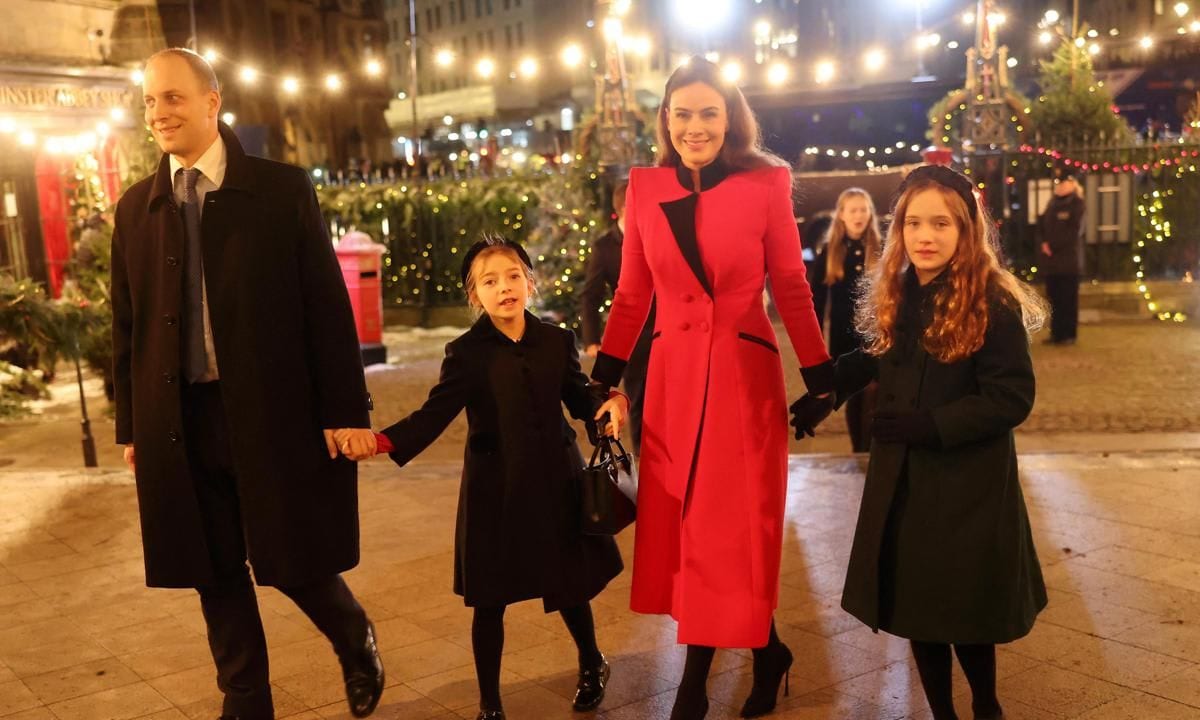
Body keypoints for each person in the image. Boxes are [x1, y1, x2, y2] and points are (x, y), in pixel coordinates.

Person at [110, 48, 383, 719]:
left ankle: (353, 636)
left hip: (269, 412)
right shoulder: (135, 209)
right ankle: (245, 696)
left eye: (173, 98)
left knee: (290, 557)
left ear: (212, 101)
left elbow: (325, 307)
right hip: (178, 417)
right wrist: (130, 427)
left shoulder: (280, 190)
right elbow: (126, 328)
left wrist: (345, 410)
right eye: (150, 101)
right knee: (211, 566)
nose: (159, 113)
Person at [591, 57, 835, 720]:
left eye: (708, 113)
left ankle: (694, 684)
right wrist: (605, 374)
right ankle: (767, 651)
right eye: (682, 114)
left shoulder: (766, 183)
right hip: (671, 381)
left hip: (739, 377)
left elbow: (789, 283)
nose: (694, 126)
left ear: (730, 119)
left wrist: (820, 376)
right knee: (693, 529)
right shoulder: (644, 187)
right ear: (665, 120)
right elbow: (634, 291)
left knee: (727, 530)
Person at [799, 165, 1048, 720]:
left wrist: (930, 426)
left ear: (966, 231)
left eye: (940, 223)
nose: (924, 236)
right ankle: (943, 713)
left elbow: (1011, 397)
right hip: (905, 484)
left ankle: (986, 706)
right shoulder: (904, 289)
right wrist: (831, 388)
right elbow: (882, 352)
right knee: (916, 608)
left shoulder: (991, 301)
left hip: (965, 487)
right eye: (913, 222)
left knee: (963, 610)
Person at [351, 237, 625, 720]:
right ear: (474, 294)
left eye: (514, 275)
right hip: (495, 488)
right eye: (490, 280)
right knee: (491, 599)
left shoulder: (555, 340)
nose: (505, 287)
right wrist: (382, 441)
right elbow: (434, 414)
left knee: (569, 586)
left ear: (530, 282)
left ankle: (591, 661)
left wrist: (602, 409)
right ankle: (490, 704)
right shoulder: (466, 352)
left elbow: (578, 397)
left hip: (558, 478)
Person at [579, 180, 654, 453]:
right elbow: (591, 295)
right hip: (634, 339)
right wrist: (591, 339)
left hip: (669, 332)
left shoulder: (658, 235)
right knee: (639, 402)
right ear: (625, 209)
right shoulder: (605, 246)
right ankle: (645, 460)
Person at [821, 188, 883, 452]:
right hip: (844, 338)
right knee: (854, 395)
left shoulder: (880, 250)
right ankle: (859, 448)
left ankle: (869, 448)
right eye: (853, 210)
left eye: (863, 209)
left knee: (874, 391)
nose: (859, 215)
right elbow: (815, 299)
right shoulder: (831, 251)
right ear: (842, 216)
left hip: (875, 336)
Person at [1037, 175, 1085, 345]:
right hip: (1052, 261)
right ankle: (1057, 333)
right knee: (1054, 297)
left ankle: (1068, 334)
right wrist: (1044, 242)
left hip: (1068, 260)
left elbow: (1073, 231)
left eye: (1064, 182)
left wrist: (1053, 245)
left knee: (1068, 298)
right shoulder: (1053, 203)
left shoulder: (1077, 204)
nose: (1060, 186)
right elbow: (1043, 224)